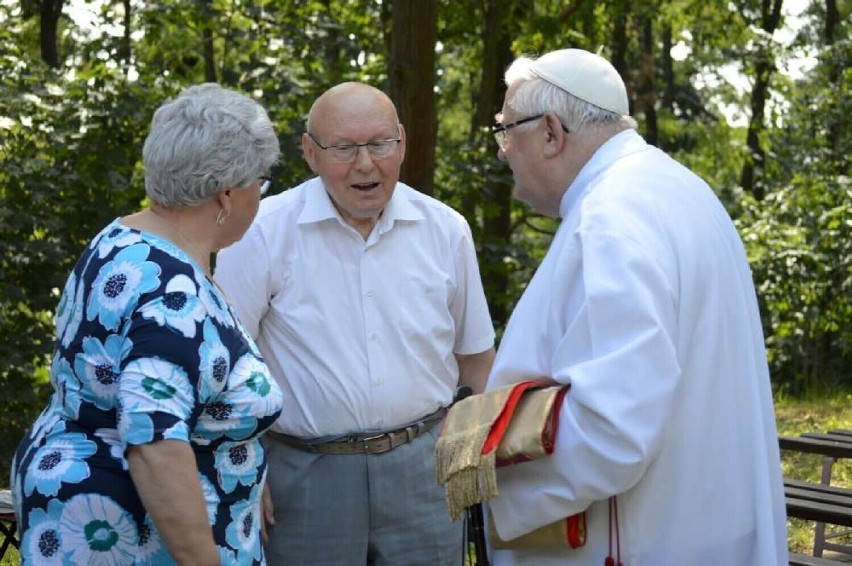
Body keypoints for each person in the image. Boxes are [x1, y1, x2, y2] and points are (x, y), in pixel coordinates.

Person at [484, 48, 788, 565]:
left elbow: (612, 431)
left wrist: (487, 467)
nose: (502, 151)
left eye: (507, 131)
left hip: (640, 539)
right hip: (706, 521)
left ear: (551, 133)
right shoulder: (679, 189)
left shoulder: (609, 217)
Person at [214, 81, 496, 565]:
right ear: (309, 152)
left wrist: (472, 466)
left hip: (425, 471)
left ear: (402, 143)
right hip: (303, 476)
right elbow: (225, 370)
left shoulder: (446, 229)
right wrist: (246, 475)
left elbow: (476, 360)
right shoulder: (260, 232)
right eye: (344, 148)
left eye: (380, 144)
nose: (365, 164)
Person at [11, 83, 284, 565]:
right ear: (226, 194)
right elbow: (155, 441)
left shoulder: (123, 239)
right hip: (134, 539)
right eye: (259, 183)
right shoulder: (171, 297)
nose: (260, 197)